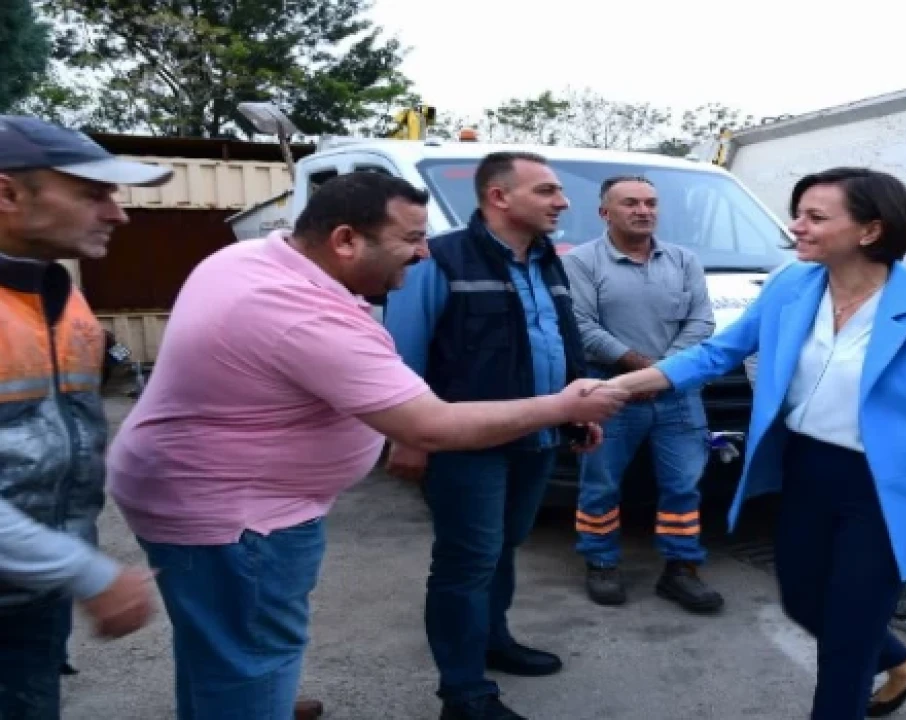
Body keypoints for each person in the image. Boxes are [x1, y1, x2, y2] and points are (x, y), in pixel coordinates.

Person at [106, 172, 626, 720]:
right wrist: (562, 407)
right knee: (252, 652)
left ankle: (251, 696)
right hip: (238, 518)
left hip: (203, 492)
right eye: (411, 239)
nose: (423, 253)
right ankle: (254, 699)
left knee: (224, 645)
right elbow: (428, 425)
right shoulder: (303, 312)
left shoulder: (254, 258)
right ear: (346, 240)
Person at [601, 167, 906, 719]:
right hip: (807, 467)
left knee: (849, 634)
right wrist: (619, 387)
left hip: (885, 486)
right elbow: (717, 354)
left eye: (815, 217)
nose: (796, 226)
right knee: (804, 599)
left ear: (869, 230)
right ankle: (904, 664)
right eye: (798, 213)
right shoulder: (791, 286)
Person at [381, 151, 595, 720]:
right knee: (467, 560)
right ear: (499, 197)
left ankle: (492, 641)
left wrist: (579, 408)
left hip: (537, 437)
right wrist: (409, 437)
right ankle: (464, 693)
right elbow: (401, 355)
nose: (562, 202)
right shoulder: (439, 258)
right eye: (547, 191)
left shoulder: (549, 261)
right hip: (466, 444)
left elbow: (559, 338)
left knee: (504, 547)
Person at [0, 115, 167, 719]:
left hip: (31, 599)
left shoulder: (58, 295)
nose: (118, 214)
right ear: (8, 193)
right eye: (93, 193)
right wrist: (87, 571)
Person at [562, 175, 723, 612]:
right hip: (610, 391)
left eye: (650, 202)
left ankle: (681, 569)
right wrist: (640, 369)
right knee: (600, 484)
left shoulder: (684, 260)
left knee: (684, 485)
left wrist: (663, 373)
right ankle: (600, 562)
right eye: (630, 203)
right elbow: (580, 325)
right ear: (605, 212)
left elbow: (701, 323)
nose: (643, 210)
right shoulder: (581, 262)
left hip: (677, 394)